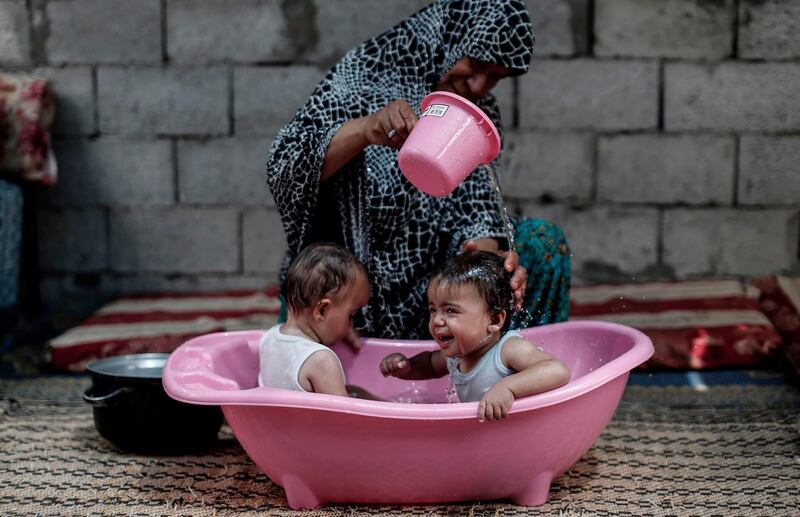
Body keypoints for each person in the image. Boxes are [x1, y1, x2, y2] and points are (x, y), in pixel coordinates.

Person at [267, 0, 570, 342]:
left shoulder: (476, 110)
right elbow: (284, 165)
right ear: (451, 37)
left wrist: (482, 260)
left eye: (496, 78)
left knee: (544, 244)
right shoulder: (365, 75)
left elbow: (480, 209)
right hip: (345, 295)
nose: (479, 86)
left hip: (436, 298)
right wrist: (365, 131)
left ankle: (509, 374)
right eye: (476, 65)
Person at [379, 251, 570, 421]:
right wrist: (407, 367)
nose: (436, 320)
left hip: (522, 429)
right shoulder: (455, 356)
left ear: (494, 319)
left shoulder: (507, 350)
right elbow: (430, 364)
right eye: (433, 309)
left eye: (451, 311)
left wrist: (508, 387)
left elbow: (557, 370)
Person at [258, 242, 375, 398]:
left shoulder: (268, 338)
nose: (352, 325)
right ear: (322, 310)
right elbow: (345, 417)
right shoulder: (322, 360)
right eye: (351, 315)